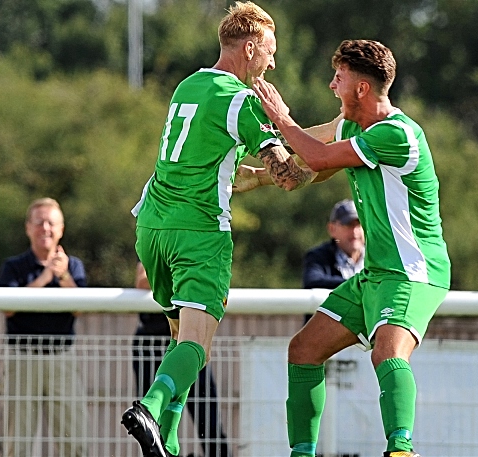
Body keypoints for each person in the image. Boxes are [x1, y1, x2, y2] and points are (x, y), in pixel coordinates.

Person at [122, 2, 342, 457]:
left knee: (182, 341)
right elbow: (286, 174)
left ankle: (169, 441)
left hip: (151, 227)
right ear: (249, 48)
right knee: (198, 347)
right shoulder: (242, 100)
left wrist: (252, 169)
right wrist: (320, 164)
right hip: (199, 233)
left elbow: (213, 158)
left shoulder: (189, 85)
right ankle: (149, 406)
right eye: (270, 52)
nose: (273, 63)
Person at [249, 40, 451, 457]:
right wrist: (259, 175)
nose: (330, 85)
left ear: (361, 89)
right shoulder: (352, 127)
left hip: (414, 272)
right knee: (303, 351)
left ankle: (401, 450)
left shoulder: (397, 133)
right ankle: (302, 453)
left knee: (387, 353)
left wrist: (280, 117)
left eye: (338, 78)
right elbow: (310, 157)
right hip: (376, 274)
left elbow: (318, 156)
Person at [0, 197, 89, 457]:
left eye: (51, 223)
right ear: (28, 228)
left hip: (62, 359)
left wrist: (63, 276)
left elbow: (81, 307)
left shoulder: (74, 267)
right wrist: (45, 277)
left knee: (74, 438)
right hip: (23, 359)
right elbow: (8, 307)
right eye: (39, 222)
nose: (45, 228)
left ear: (61, 229)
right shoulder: (14, 267)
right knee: (19, 442)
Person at [133, 262, 231, 457]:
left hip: (189, 339)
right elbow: (143, 279)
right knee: (151, 424)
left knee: (208, 420)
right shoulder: (169, 240)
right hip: (154, 344)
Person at [302, 199, 365, 322]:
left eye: (359, 224)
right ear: (332, 229)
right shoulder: (317, 256)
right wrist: (359, 284)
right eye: (348, 225)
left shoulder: (378, 256)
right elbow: (312, 281)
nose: (355, 232)